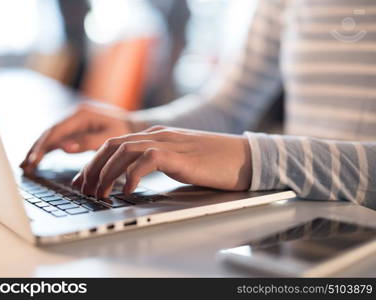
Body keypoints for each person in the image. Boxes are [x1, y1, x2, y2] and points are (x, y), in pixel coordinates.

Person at [21, 0, 376, 209]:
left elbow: (253, 150)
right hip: (306, 223)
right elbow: (229, 106)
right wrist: (135, 128)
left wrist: (256, 159)